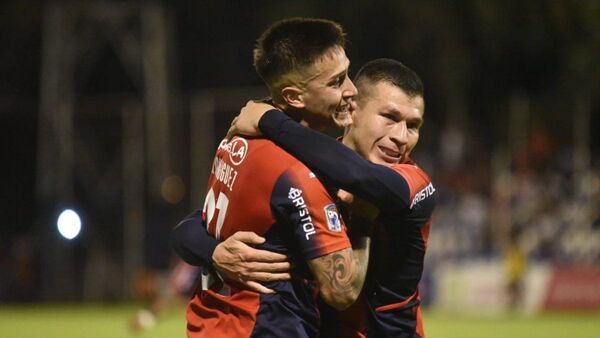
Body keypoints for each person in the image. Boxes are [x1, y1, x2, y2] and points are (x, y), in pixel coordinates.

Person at [172, 17, 372, 338]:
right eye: (336, 82)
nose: (351, 89)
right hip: (265, 326)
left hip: (213, 323)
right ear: (294, 96)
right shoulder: (297, 173)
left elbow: (199, 222)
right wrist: (365, 217)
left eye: (349, 73)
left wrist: (211, 251)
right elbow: (341, 289)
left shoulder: (237, 140)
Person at [228, 58, 437, 337]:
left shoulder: (415, 185)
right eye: (390, 117)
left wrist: (268, 119)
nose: (401, 137)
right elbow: (194, 225)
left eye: (413, 126)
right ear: (353, 110)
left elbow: (360, 177)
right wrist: (211, 252)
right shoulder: (308, 171)